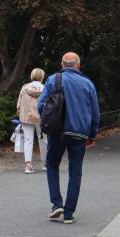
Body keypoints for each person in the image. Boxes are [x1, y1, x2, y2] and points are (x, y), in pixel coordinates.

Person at [38, 52, 100, 224]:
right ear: (78, 65)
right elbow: (95, 112)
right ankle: (69, 213)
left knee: (51, 164)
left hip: (57, 131)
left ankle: (56, 204)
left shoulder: (53, 80)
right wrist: (92, 134)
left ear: (62, 64)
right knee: (75, 172)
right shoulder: (88, 83)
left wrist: (47, 123)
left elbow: (41, 105)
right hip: (79, 133)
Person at [17, 68, 47, 174]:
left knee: (28, 140)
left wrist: (19, 113)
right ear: (42, 77)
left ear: (32, 76)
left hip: (26, 117)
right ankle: (45, 163)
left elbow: (19, 104)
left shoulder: (25, 88)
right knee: (43, 139)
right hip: (41, 118)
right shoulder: (45, 88)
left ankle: (28, 165)